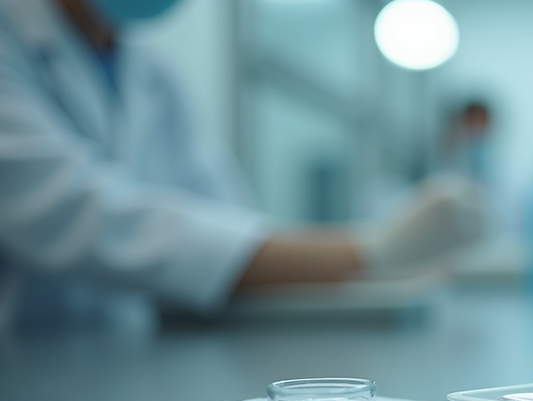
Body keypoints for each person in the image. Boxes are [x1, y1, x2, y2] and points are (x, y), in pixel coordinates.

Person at [0, 0, 484, 330]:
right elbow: (80, 213)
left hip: (118, 359)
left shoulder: (152, 72)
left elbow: (230, 222)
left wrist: (378, 272)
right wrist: (373, 250)